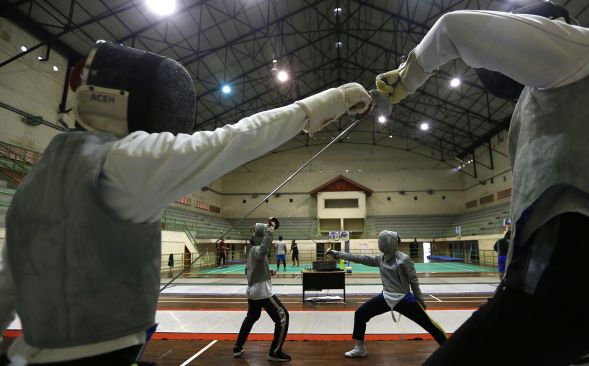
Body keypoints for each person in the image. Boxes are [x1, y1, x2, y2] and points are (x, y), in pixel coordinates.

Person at [0, 41, 371, 365]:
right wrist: (331, 101)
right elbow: (236, 139)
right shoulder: (125, 159)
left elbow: (11, 278)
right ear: (126, 99)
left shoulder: (45, 169)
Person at [376, 2, 589, 365]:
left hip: (568, 281)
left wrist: (407, 77)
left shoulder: (585, 50)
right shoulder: (561, 94)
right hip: (578, 280)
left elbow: (454, 27)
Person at [326, 230, 447, 358]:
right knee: (361, 313)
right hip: (386, 297)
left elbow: (413, 281)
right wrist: (338, 254)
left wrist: (419, 300)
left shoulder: (404, 259)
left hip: (404, 299)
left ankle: (450, 349)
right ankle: (360, 348)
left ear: (388, 243)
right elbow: (359, 258)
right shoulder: (380, 259)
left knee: (430, 325)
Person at [233, 219, 291, 361]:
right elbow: (262, 251)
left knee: (252, 316)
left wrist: (268, 272)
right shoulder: (256, 250)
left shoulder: (252, 250)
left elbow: (253, 269)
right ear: (262, 236)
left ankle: (237, 347)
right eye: (264, 234)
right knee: (283, 316)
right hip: (261, 291)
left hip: (253, 290)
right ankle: (275, 352)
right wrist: (270, 231)